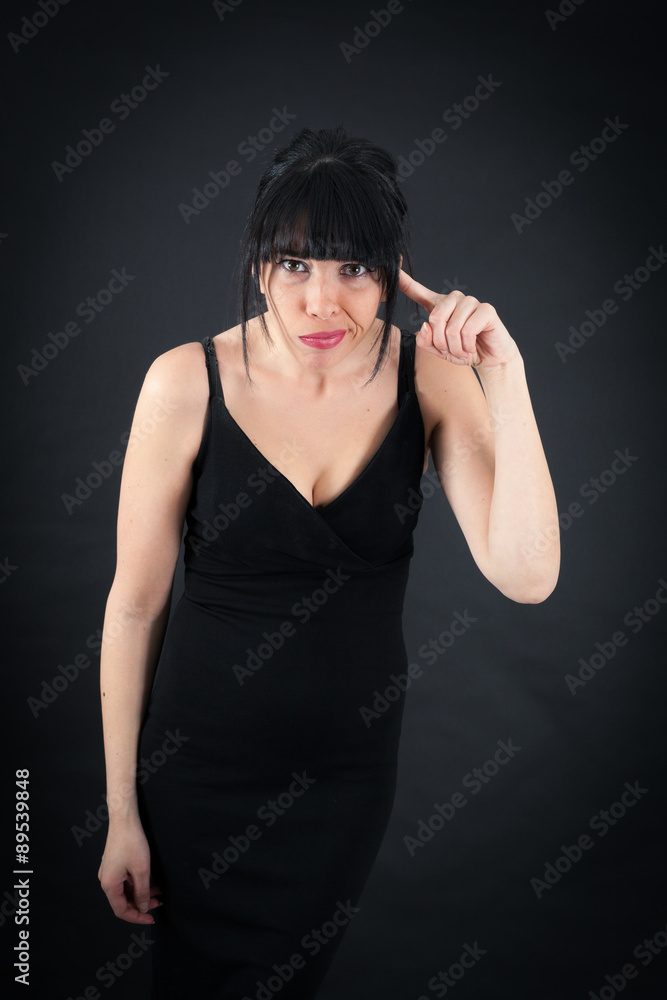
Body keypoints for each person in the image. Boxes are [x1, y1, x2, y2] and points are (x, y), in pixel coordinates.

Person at [97, 125, 559, 998]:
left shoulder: (429, 377)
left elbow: (527, 574)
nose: (321, 302)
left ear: (392, 271)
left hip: (342, 782)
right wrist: (122, 811)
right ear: (257, 263)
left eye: (354, 268)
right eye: (293, 265)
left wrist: (506, 375)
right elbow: (134, 607)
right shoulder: (185, 381)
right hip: (197, 771)